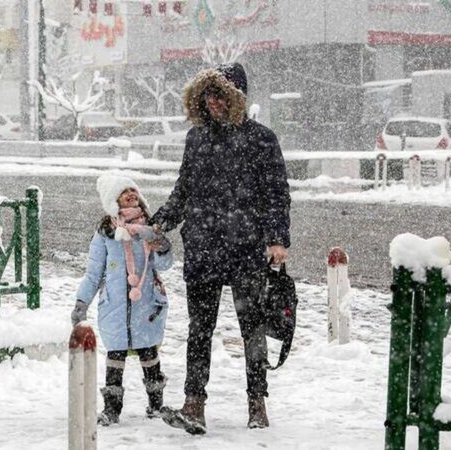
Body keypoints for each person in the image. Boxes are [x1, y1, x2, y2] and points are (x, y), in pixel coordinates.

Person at [151, 63, 291, 434]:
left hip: (247, 247)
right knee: (200, 328)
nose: (213, 102)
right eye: (208, 96)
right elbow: (183, 190)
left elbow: (277, 194)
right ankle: (193, 402)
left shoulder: (261, 139)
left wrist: (277, 239)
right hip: (203, 246)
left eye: (220, 95)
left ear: (236, 99)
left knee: (252, 328)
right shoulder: (196, 139)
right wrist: (161, 221)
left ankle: (256, 401)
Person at [72, 174, 173, 426]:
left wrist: (160, 245)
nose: (131, 194)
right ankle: (112, 408)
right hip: (115, 306)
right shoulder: (105, 233)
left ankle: (156, 404)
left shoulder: (149, 228)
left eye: (133, 190)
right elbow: (94, 273)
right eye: (123, 192)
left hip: (147, 302)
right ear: (112, 200)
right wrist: (82, 302)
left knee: (149, 353)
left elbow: (164, 264)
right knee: (115, 357)